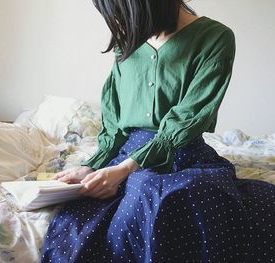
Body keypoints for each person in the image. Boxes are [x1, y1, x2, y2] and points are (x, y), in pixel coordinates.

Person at [41, 1, 275, 262]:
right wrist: (93, 165)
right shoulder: (127, 45)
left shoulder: (215, 38)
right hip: (126, 151)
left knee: (153, 192)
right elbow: (115, 121)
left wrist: (125, 170)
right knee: (76, 225)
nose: (122, 22)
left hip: (182, 152)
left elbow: (188, 118)